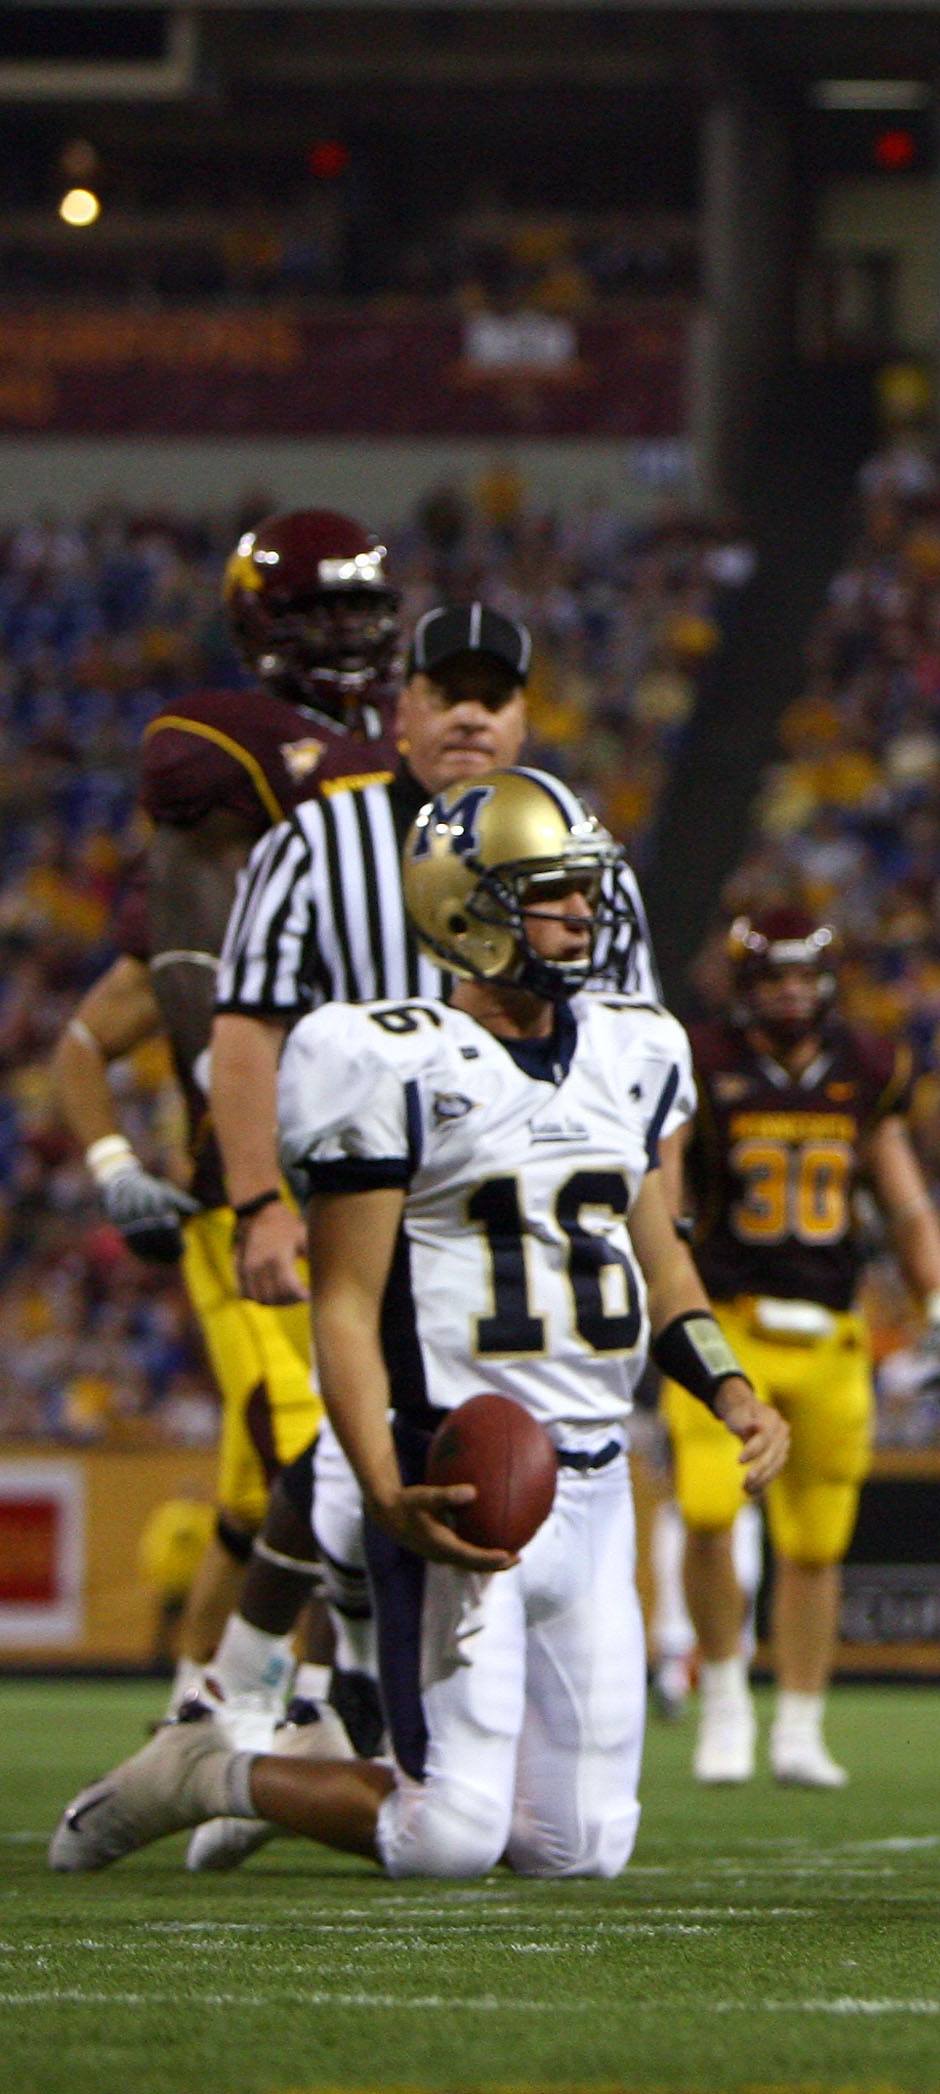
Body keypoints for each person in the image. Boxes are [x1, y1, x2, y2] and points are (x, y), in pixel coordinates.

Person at [52, 769, 786, 1881]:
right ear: (469, 908)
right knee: (445, 1835)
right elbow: (344, 1299)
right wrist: (383, 1482)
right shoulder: (387, 1057)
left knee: (579, 1848)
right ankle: (208, 1769)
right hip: (457, 1470)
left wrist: (730, 1388)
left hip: (591, 1490)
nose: (583, 916)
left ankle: (269, 1760)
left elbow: (660, 1256)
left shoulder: (636, 1050)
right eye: (552, 893)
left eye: (586, 891)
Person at [185, 602, 658, 1867]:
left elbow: (628, 1102)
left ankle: (313, 1736)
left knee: (380, 1503)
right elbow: (247, 1025)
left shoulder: (574, 857)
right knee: (346, 1482)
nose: (470, 714)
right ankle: (252, 1719)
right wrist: (259, 1199)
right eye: (443, 690)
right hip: (369, 1207)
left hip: (513, 1261)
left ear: (523, 716)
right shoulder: (326, 840)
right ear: (396, 710)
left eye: (494, 695)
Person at [128, 510, 397, 1730]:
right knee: (320, 1451)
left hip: (394, 1152)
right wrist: (247, 1161)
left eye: (358, 608)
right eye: (317, 612)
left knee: (333, 1462)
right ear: (260, 626)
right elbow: (193, 963)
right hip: (279, 1159)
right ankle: (255, 1702)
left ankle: (257, 1707)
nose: (345, 633)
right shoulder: (223, 744)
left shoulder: (416, 744)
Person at [671, 905, 940, 1789]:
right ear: (745, 985)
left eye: (805, 977)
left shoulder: (865, 1067)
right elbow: (663, 1176)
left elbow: (904, 1195)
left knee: (815, 1544)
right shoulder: (701, 1061)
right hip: (727, 1319)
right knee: (707, 1512)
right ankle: (724, 1697)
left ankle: (799, 1723)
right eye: (774, 979)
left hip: (833, 1331)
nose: (792, 994)